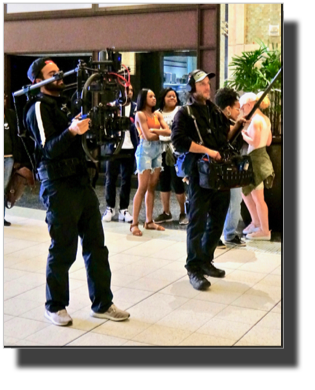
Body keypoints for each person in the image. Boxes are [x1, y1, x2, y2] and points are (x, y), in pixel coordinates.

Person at [25, 57, 130, 326]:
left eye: (59, 71)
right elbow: (48, 149)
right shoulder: (38, 107)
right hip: (58, 186)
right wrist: (72, 131)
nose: (59, 75)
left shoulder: (63, 105)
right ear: (38, 81)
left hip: (80, 183)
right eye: (52, 73)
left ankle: (102, 303)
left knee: (96, 246)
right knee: (63, 248)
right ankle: (55, 306)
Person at [171, 69, 246, 291]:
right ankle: (193, 267)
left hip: (218, 173)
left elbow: (225, 137)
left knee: (218, 218)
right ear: (191, 88)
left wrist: (238, 124)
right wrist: (207, 151)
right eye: (202, 84)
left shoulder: (213, 110)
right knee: (197, 221)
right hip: (198, 174)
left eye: (207, 84)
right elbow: (179, 141)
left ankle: (206, 259)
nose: (207, 87)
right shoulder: (184, 113)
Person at [130, 88, 171, 236]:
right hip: (145, 150)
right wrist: (159, 132)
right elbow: (146, 136)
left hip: (157, 150)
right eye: (150, 96)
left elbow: (169, 132)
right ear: (143, 98)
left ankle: (149, 221)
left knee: (152, 187)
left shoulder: (157, 114)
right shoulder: (140, 114)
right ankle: (134, 223)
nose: (154, 98)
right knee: (142, 187)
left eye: (154, 96)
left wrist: (156, 132)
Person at [240, 92, 274, 241]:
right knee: (248, 193)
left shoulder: (256, 121)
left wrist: (243, 134)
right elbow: (268, 142)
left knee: (258, 198)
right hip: (261, 158)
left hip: (256, 160)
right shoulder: (265, 119)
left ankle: (264, 230)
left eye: (242, 107)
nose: (242, 110)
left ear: (249, 104)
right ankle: (257, 223)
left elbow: (254, 142)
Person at [214, 87, 246, 247]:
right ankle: (215, 236)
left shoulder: (230, 123)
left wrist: (238, 126)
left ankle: (230, 233)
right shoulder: (215, 122)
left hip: (231, 166)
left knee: (235, 200)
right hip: (218, 168)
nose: (238, 112)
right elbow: (223, 141)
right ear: (228, 109)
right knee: (219, 203)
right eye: (237, 109)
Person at [102, 84, 138, 223]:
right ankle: (110, 208)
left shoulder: (136, 107)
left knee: (126, 179)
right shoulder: (112, 107)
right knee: (110, 178)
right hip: (114, 146)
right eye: (125, 90)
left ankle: (124, 209)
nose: (127, 92)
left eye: (130, 90)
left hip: (130, 147)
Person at [154, 88, 188, 225]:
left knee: (178, 181)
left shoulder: (180, 111)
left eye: (174, 96)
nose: (173, 98)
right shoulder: (157, 113)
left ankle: (183, 212)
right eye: (169, 96)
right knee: (164, 181)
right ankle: (166, 212)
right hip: (160, 150)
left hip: (177, 151)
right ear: (163, 98)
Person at [4, 93, 21, 227]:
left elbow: (15, 136)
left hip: (8, 157)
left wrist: (17, 157)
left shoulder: (10, 114)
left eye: (4, 97)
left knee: (4, 187)